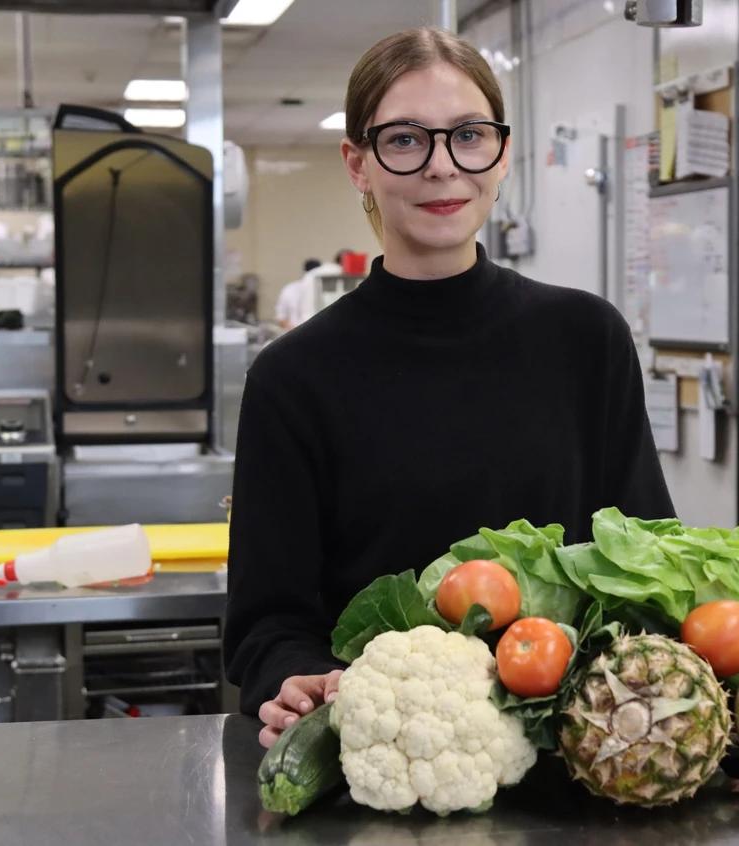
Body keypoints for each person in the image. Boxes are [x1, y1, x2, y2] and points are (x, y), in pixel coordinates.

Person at [223, 26, 674, 750]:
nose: (442, 168)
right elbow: (267, 624)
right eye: (405, 140)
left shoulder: (586, 340)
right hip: (387, 761)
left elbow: (649, 563)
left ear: (499, 157)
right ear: (358, 164)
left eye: (468, 135)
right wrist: (294, 676)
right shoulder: (292, 379)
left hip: (580, 756)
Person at [274, 258, 322, 330]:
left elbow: (280, 316)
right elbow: (281, 317)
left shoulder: (323, 291)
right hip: (294, 333)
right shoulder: (290, 289)